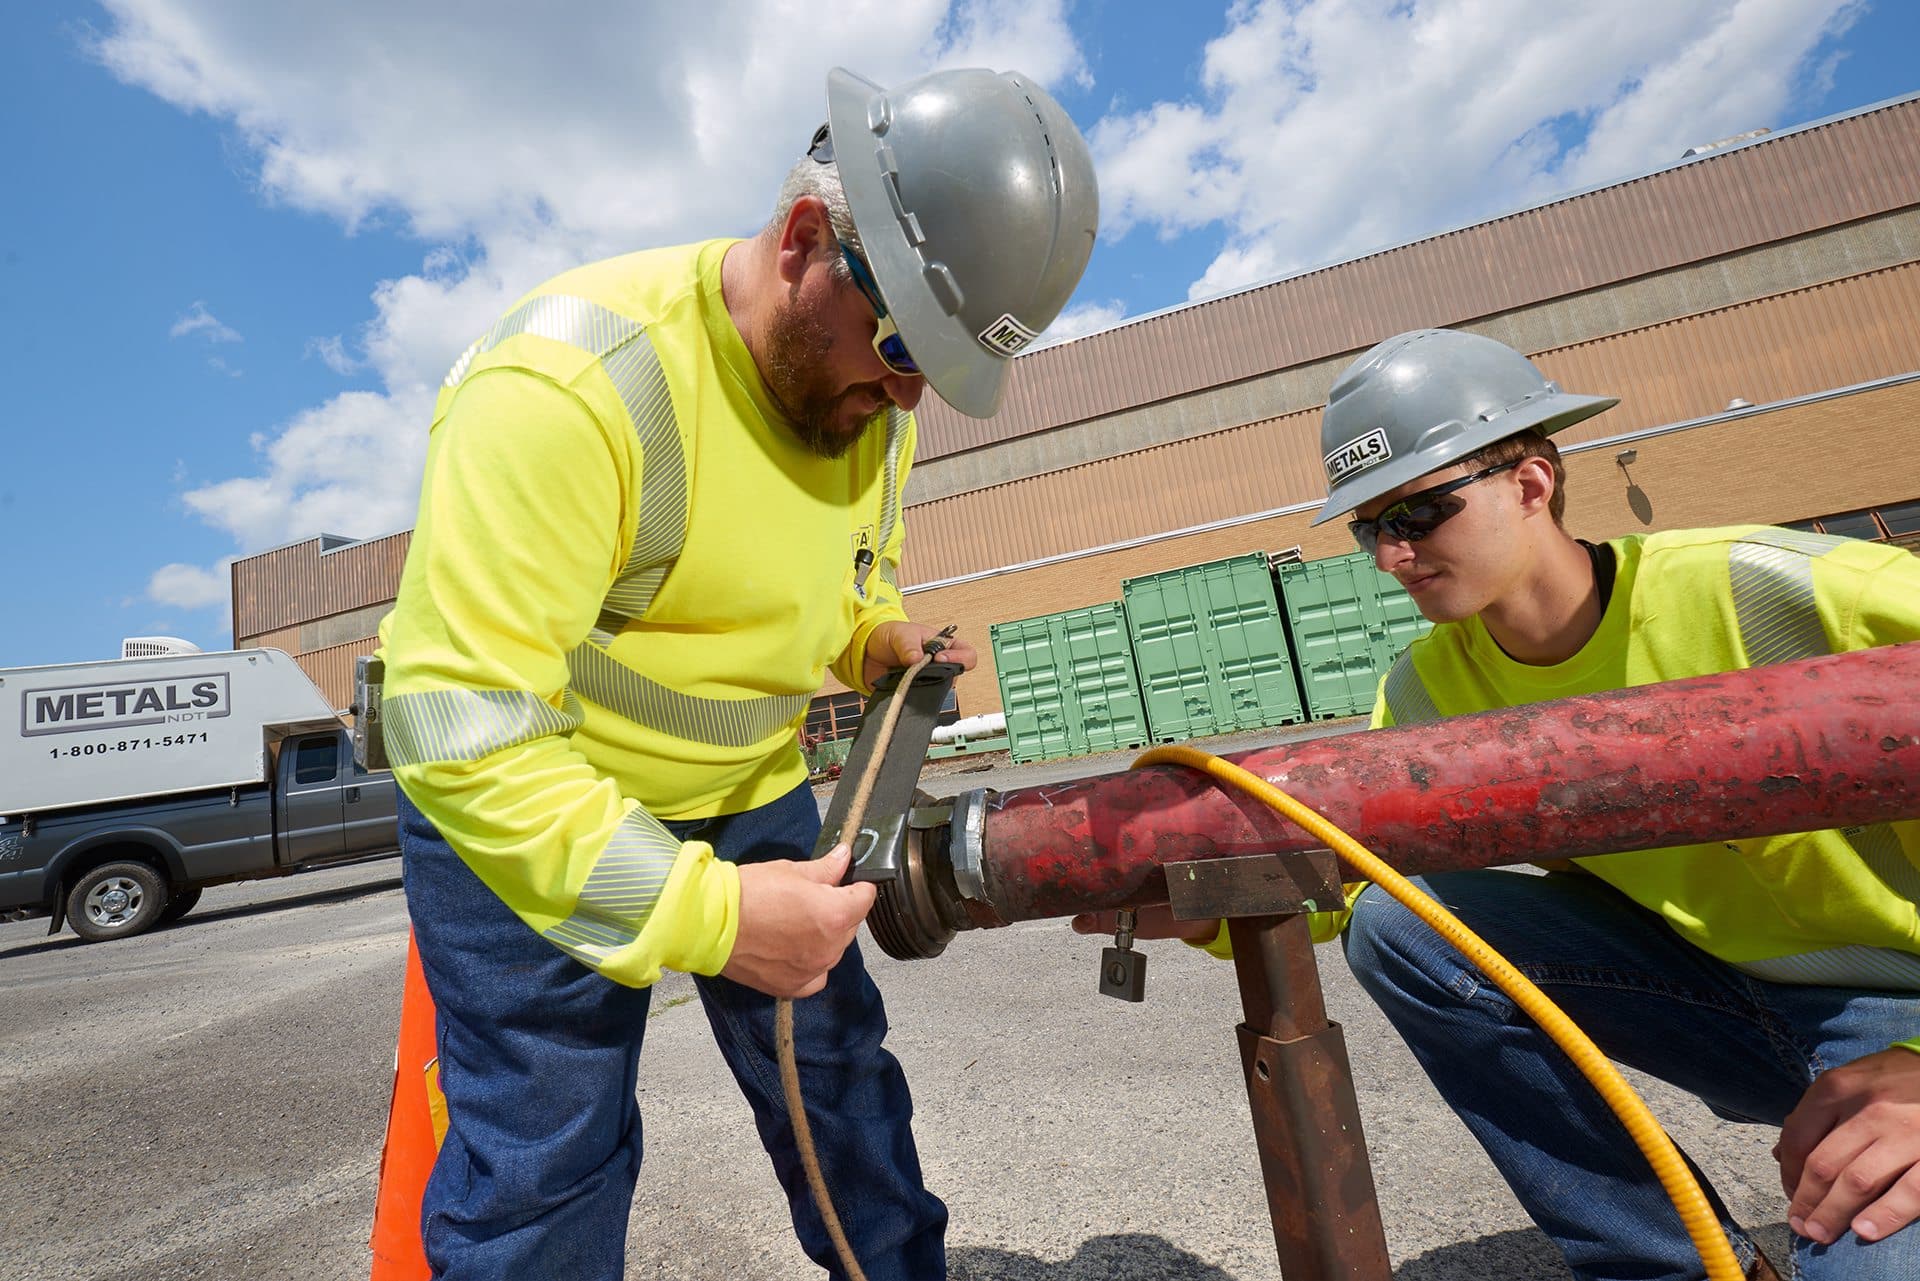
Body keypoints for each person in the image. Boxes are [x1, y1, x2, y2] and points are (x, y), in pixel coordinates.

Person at [373, 66, 1098, 1280]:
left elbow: (853, 573)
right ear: (806, 240)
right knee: (547, 1160)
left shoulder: (872, 399)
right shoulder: (570, 389)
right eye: (903, 347)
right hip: (532, 807)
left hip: (747, 789)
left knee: (841, 1092)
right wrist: (709, 917)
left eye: (940, 374)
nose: (909, 395)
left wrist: (877, 640)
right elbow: (463, 728)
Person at [1083, 328, 1920, 1281]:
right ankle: (1671, 1266)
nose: (1393, 554)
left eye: (1422, 511)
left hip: (1899, 1005)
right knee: (1402, 926)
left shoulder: (1776, 593)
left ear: (1532, 483)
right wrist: (1196, 906)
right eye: (1369, 527)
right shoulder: (1431, 694)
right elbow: (1364, 887)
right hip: (1716, 993)